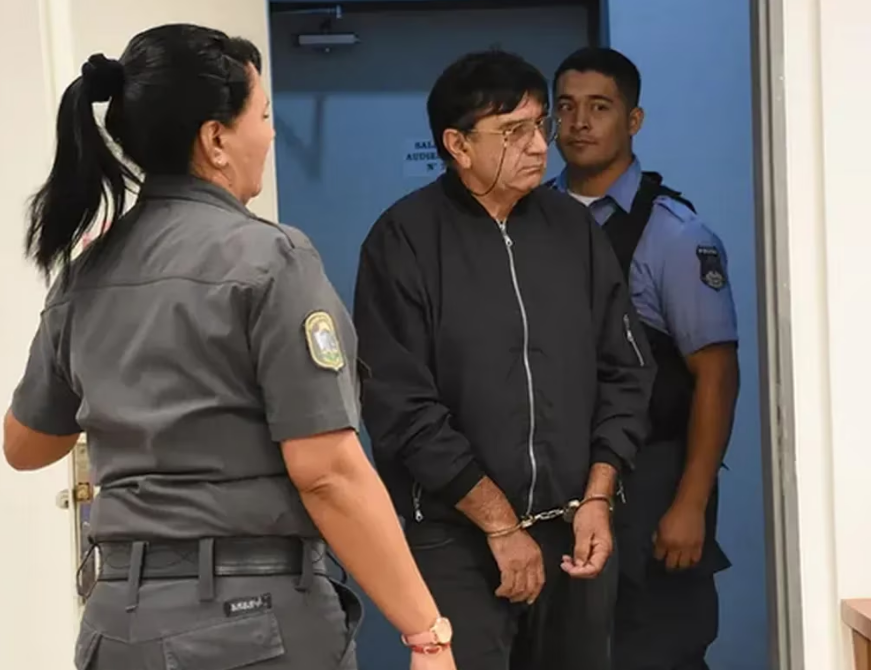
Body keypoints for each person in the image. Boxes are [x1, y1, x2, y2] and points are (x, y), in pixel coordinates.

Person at [2, 23, 457, 670]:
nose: (271, 135)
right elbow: (327, 472)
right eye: (264, 116)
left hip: (117, 626)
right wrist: (426, 632)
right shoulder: (269, 259)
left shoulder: (86, 272)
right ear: (215, 139)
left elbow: (25, 445)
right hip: (248, 626)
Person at [353, 50, 656, 670]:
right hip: (457, 537)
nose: (540, 146)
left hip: (577, 529)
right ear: (458, 145)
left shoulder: (575, 231)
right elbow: (401, 407)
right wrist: (499, 525)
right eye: (513, 131)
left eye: (540, 125)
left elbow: (626, 372)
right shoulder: (404, 239)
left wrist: (600, 496)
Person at [551, 47, 741, 670]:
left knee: (659, 650)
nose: (580, 122)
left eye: (599, 107)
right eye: (566, 107)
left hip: (653, 478)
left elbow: (716, 376)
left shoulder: (675, 234)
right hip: (558, 481)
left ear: (633, 120)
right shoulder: (532, 221)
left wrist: (691, 502)